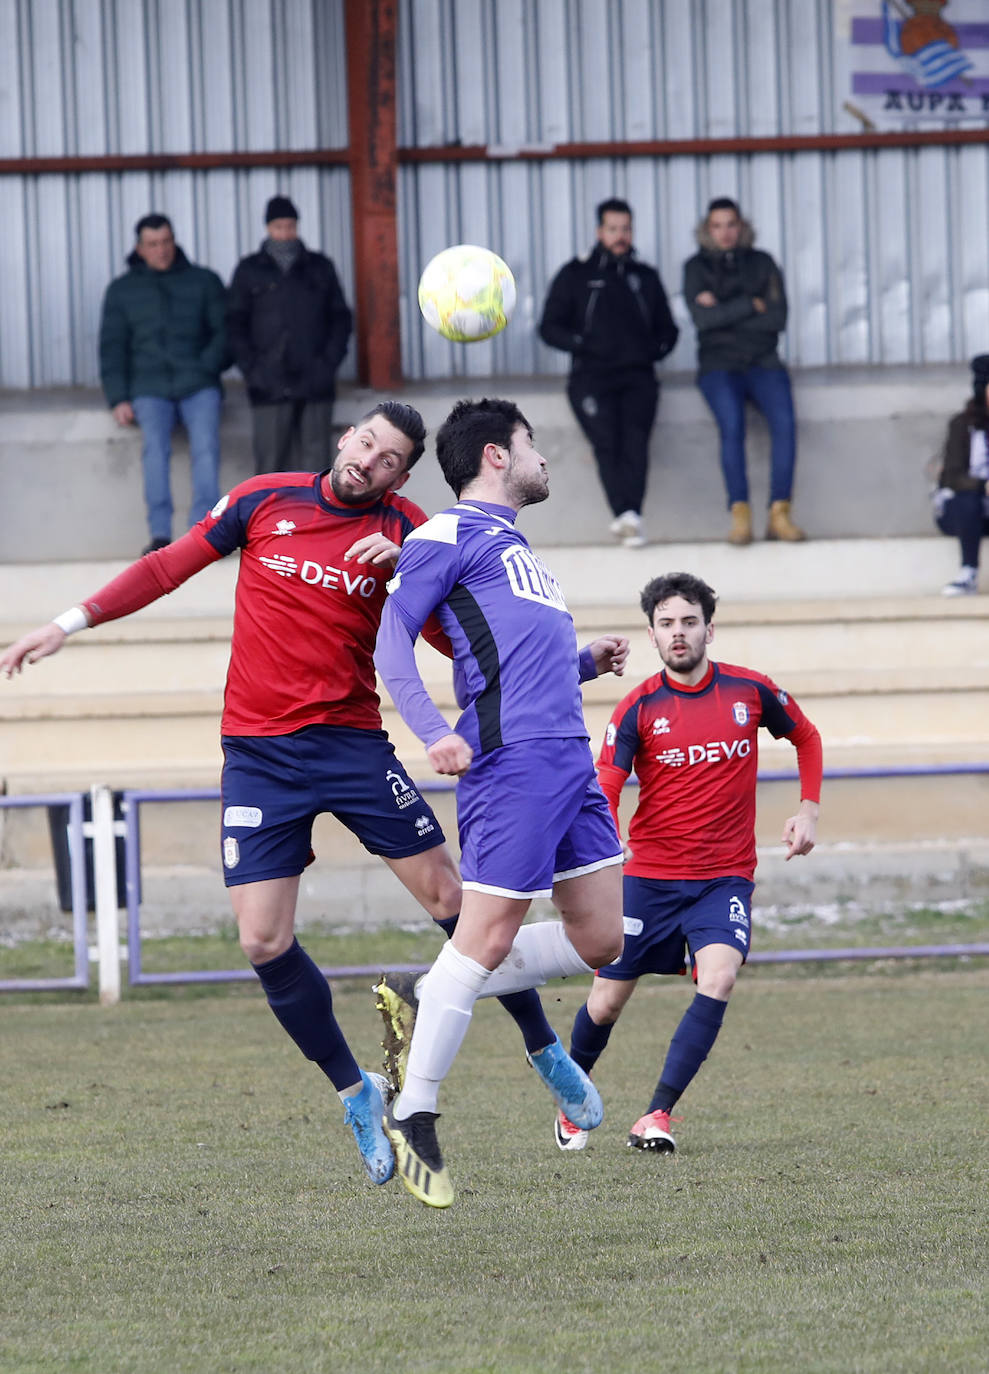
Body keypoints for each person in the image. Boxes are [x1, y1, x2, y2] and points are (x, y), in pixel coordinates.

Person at [1, 401, 570, 1191]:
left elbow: (458, 633)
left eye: (387, 459)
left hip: (351, 746)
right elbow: (168, 566)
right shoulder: (263, 499)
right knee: (262, 942)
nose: (369, 461)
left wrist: (402, 562)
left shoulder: (411, 527)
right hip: (259, 757)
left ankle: (545, 1048)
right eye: (364, 442)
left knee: (452, 898)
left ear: (400, 477)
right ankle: (355, 1091)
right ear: (344, 438)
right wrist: (71, 622)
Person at [374, 396, 628, 1208]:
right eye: (531, 444)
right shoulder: (443, 535)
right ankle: (414, 1115)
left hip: (569, 765)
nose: (541, 457)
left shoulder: (519, 552)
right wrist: (431, 732)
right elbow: (392, 641)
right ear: (494, 455)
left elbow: (519, 662)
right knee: (485, 940)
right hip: (511, 767)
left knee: (606, 940)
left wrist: (584, 661)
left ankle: (431, 988)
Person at [554, 571, 821, 1155]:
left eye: (689, 622)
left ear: (709, 629)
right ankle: (572, 1097)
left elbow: (806, 737)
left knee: (719, 976)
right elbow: (605, 786)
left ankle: (656, 1115)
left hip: (724, 878)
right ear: (652, 635)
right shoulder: (637, 708)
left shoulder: (751, 692)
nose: (679, 633)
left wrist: (808, 810)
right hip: (648, 878)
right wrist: (608, 851)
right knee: (605, 1002)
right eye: (667, 624)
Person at [539, 198, 679, 548]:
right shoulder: (577, 274)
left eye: (626, 229)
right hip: (591, 378)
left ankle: (630, 517)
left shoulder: (644, 277)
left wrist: (656, 348)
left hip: (638, 377)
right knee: (607, 442)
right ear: (600, 231)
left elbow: (669, 328)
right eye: (613, 229)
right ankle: (626, 514)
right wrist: (582, 344)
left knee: (635, 443)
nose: (620, 236)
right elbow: (549, 326)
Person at [99, 213, 228, 554]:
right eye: (153, 244)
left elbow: (225, 333)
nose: (162, 250)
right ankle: (159, 536)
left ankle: (203, 535)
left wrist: (205, 368)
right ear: (140, 248)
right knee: (154, 451)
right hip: (149, 388)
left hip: (198, 384)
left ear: (175, 240)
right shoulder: (123, 290)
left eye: (167, 241)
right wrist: (118, 398)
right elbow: (112, 348)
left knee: (206, 449)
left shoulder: (204, 281)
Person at [683, 197, 805, 546]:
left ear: (742, 227)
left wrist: (723, 312)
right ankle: (741, 516)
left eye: (731, 224)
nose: (725, 232)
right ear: (708, 230)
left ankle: (780, 514)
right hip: (719, 367)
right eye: (717, 225)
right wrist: (750, 305)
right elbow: (702, 321)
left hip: (763, 363)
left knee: (785, 425)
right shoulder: (696, 268)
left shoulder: (763, 263)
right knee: (732, 426)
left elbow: (777, 320)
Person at [227, 195, 352, 474]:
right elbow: (234, 324)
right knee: (270, 469)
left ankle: (318, 520)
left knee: (317, 469)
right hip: (268, 385)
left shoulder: (320, 267)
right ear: (268, 228)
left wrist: (326, 365)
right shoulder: (249, 270)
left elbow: (340, 320)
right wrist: (252, 370)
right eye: (278, 227)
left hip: (315, 382)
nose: (285, 233)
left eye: (290, 226)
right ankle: (269, 519)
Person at [931, 353, 989, 596]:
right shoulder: (962, 424)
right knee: (967, 501)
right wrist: (983, 485)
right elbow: (951, 477)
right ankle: (968, 573)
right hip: (967, 509)